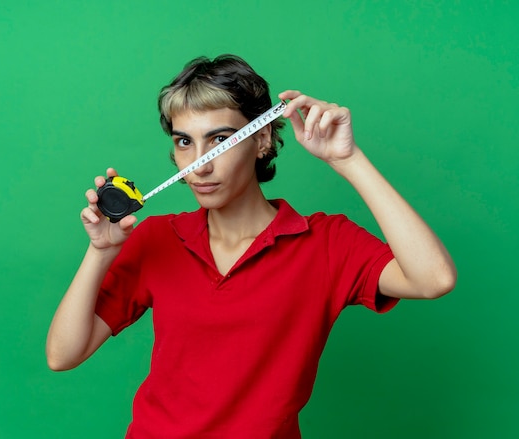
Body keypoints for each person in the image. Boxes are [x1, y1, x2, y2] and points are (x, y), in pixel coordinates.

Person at [46, 54, 457, 438]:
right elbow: (63, 355)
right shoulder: (157, 238)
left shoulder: (326, 243)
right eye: (184, 142)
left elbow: (434, 279)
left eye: (219, 139)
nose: (200, 164)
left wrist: (348, 160)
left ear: (262, 140)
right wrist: (100, 253)